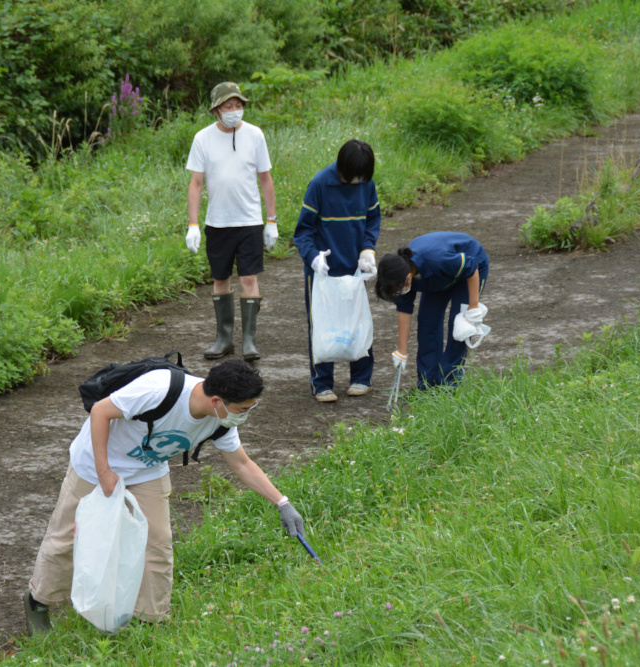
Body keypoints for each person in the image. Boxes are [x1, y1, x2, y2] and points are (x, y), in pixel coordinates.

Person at [24, 360, 304, 634]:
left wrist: (282, 502)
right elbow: (100, 412)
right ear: (217, 401)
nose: (245, 415)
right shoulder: (159, 389)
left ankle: (150, 619)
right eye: (243, 409)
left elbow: (242, 464)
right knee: (68, 539)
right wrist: (104, 470)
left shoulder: (221, 422)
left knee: (157, 543)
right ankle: (39, 603)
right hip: (95, 464)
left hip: (147, 471)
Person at [186, 82, 277, 362]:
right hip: (217, 223)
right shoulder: (203, 138)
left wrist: (271, 220)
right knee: (220, 279)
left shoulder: (255, 135)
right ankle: (224, 338)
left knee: (249, 278)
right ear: (216, 110)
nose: (235, 111)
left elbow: (265, 178)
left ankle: (249, 340)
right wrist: (193, 224)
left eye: (238, 105)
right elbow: (196, 183)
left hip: (249, 220)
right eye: (229, 106)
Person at [293, 139, 381, 403]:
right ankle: (321, 383)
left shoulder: (367, 183)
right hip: (323, 269)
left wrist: (367, 250)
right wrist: (313, 258)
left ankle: (361, 378)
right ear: (341, 167)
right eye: (351, 177)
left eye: (361, 178)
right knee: (321, 323)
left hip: (354, 268)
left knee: (358, 320)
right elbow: (303, 232)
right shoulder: (320, 184)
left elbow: (373, 220)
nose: (356, 182)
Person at [375, 232, 489, 389]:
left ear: (408, 276)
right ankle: (427, 382)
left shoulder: (436, 259)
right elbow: (404, 311)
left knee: (460, 327)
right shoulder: (401, 276)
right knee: (427, 321)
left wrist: (473, 307)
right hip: (439, 276)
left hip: (470, 269)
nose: (399, 291)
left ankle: (449, 383)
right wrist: (402, 351)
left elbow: (471, 268)